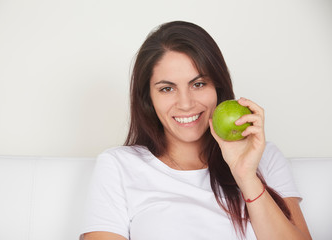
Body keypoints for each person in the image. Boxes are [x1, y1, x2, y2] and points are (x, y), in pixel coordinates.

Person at [80, 21, 311, 240]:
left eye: (198, 84)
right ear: (148, 98)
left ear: (218, 87)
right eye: (167, 88)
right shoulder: (118, 165)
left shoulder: (265, 158)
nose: (186, 103)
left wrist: (246, 176)